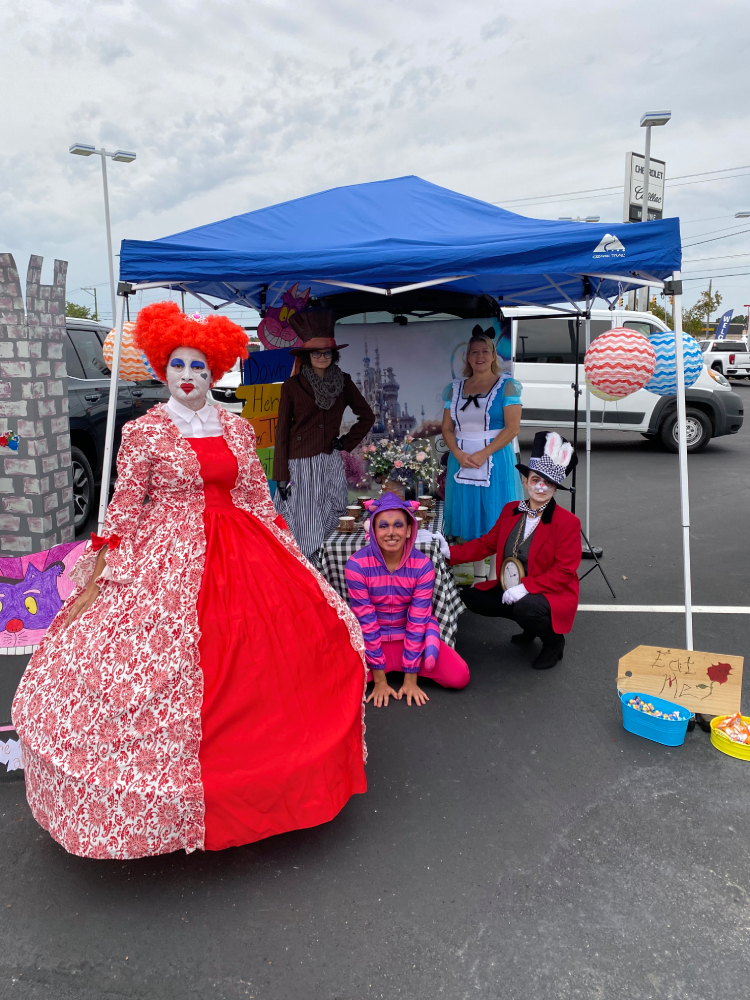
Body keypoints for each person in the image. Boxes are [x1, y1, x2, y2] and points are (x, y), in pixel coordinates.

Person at [12, 301, 367, 860]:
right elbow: (125, 506)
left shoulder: (235, 427)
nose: (187, 376)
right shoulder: (144, 433)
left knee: (267, 651)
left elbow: (254, 496)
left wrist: (287, 548)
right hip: (167, 552)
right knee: (150, 663)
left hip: (241, 546)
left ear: (215, 370)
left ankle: (278, 770)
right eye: (177, 364)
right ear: (162, 369)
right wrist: (104, 561)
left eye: (199, 366)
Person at [449, 431, 581, 671]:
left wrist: (526, 588)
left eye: (547, 483)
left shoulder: (568, 523)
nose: (540, 487)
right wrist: (449, 554)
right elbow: (486, 544)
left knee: (526, 608)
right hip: (510, 584)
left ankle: (553, 642)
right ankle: (529, 625)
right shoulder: (511, 510)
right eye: (535, 480)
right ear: (525, 481)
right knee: (472, 598)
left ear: (555, 488)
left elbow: (564, 572)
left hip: (549, 593)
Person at [345, 492, 469, 708]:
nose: (391, 533)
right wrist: (380, 682)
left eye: (398, 525)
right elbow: (366, 623)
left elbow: (418, 620)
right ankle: (380, 673)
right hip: (371, 643)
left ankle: (407, 670)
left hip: (411, 640)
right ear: (373, 530)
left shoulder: (422, 566)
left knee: (459, 677)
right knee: (331, 683)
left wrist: (411, 678)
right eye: (383, 526)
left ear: (410, 529)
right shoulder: (356, 565)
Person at [273, 308, 374, 566]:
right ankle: (306, 574)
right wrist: (281, 476)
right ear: (307, 356)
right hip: (300, 463)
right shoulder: (292, 386)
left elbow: (367, 416)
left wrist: (346, 443)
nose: (321, 357)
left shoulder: (343, 381)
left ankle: (330, 571)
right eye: (316, 352)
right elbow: (281, 431)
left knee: (333, 514)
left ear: (334, 354)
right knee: (304, 521)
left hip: (329, 460)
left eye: (326, 352)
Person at [442, 329, 523, 581]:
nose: (479, 356)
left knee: (494, 515)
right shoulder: (454, 389)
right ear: (467, 357)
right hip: (462, 459)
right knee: (471, 515)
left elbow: (512, 428)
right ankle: (477, 576)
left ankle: (494, 575)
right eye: (474, 352)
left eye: (484, 351)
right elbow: (447, 428)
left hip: (495, 458)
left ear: (493, 356)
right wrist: (457, 452)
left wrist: (484, 453)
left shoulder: (507, 386)